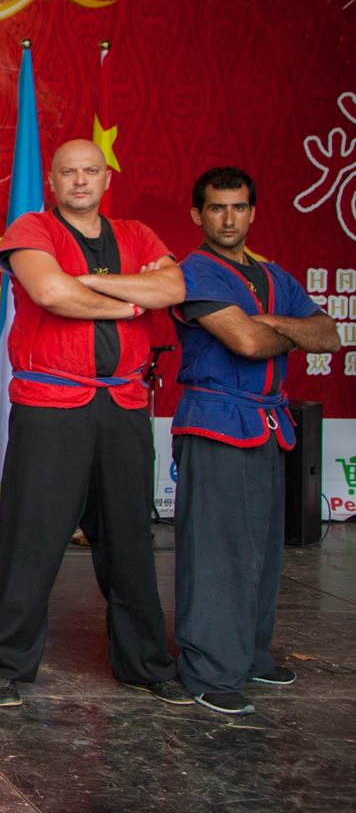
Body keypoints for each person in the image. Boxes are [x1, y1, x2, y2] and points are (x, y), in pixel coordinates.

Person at [0, 139, 188, 707]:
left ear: (106, 178)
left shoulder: (136, 234)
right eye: (68, 172)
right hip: (50, 403)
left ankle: (144, 664)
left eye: (90, 170)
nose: (79, 180)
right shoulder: (32, 230)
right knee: (33, 537)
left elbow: (172, 287)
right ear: (52, 180)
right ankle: (4, 664)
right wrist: (131, 301)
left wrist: (86, 282)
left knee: (129, 539)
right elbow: (49, 291)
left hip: (122, 405)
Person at [171, 167, 336, 715]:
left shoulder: (273, 276)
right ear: (198, 214)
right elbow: (245, 342)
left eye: (238, 207)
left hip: (266, 421)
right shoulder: (196, 272)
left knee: (262, 550)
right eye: (217, 207)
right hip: (215, 418)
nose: (228, 218)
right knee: (216, 551)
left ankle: (248, 656)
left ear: (253, 213)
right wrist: (287, 330)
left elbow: (328, 334)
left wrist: (274, 323)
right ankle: (208, 670)